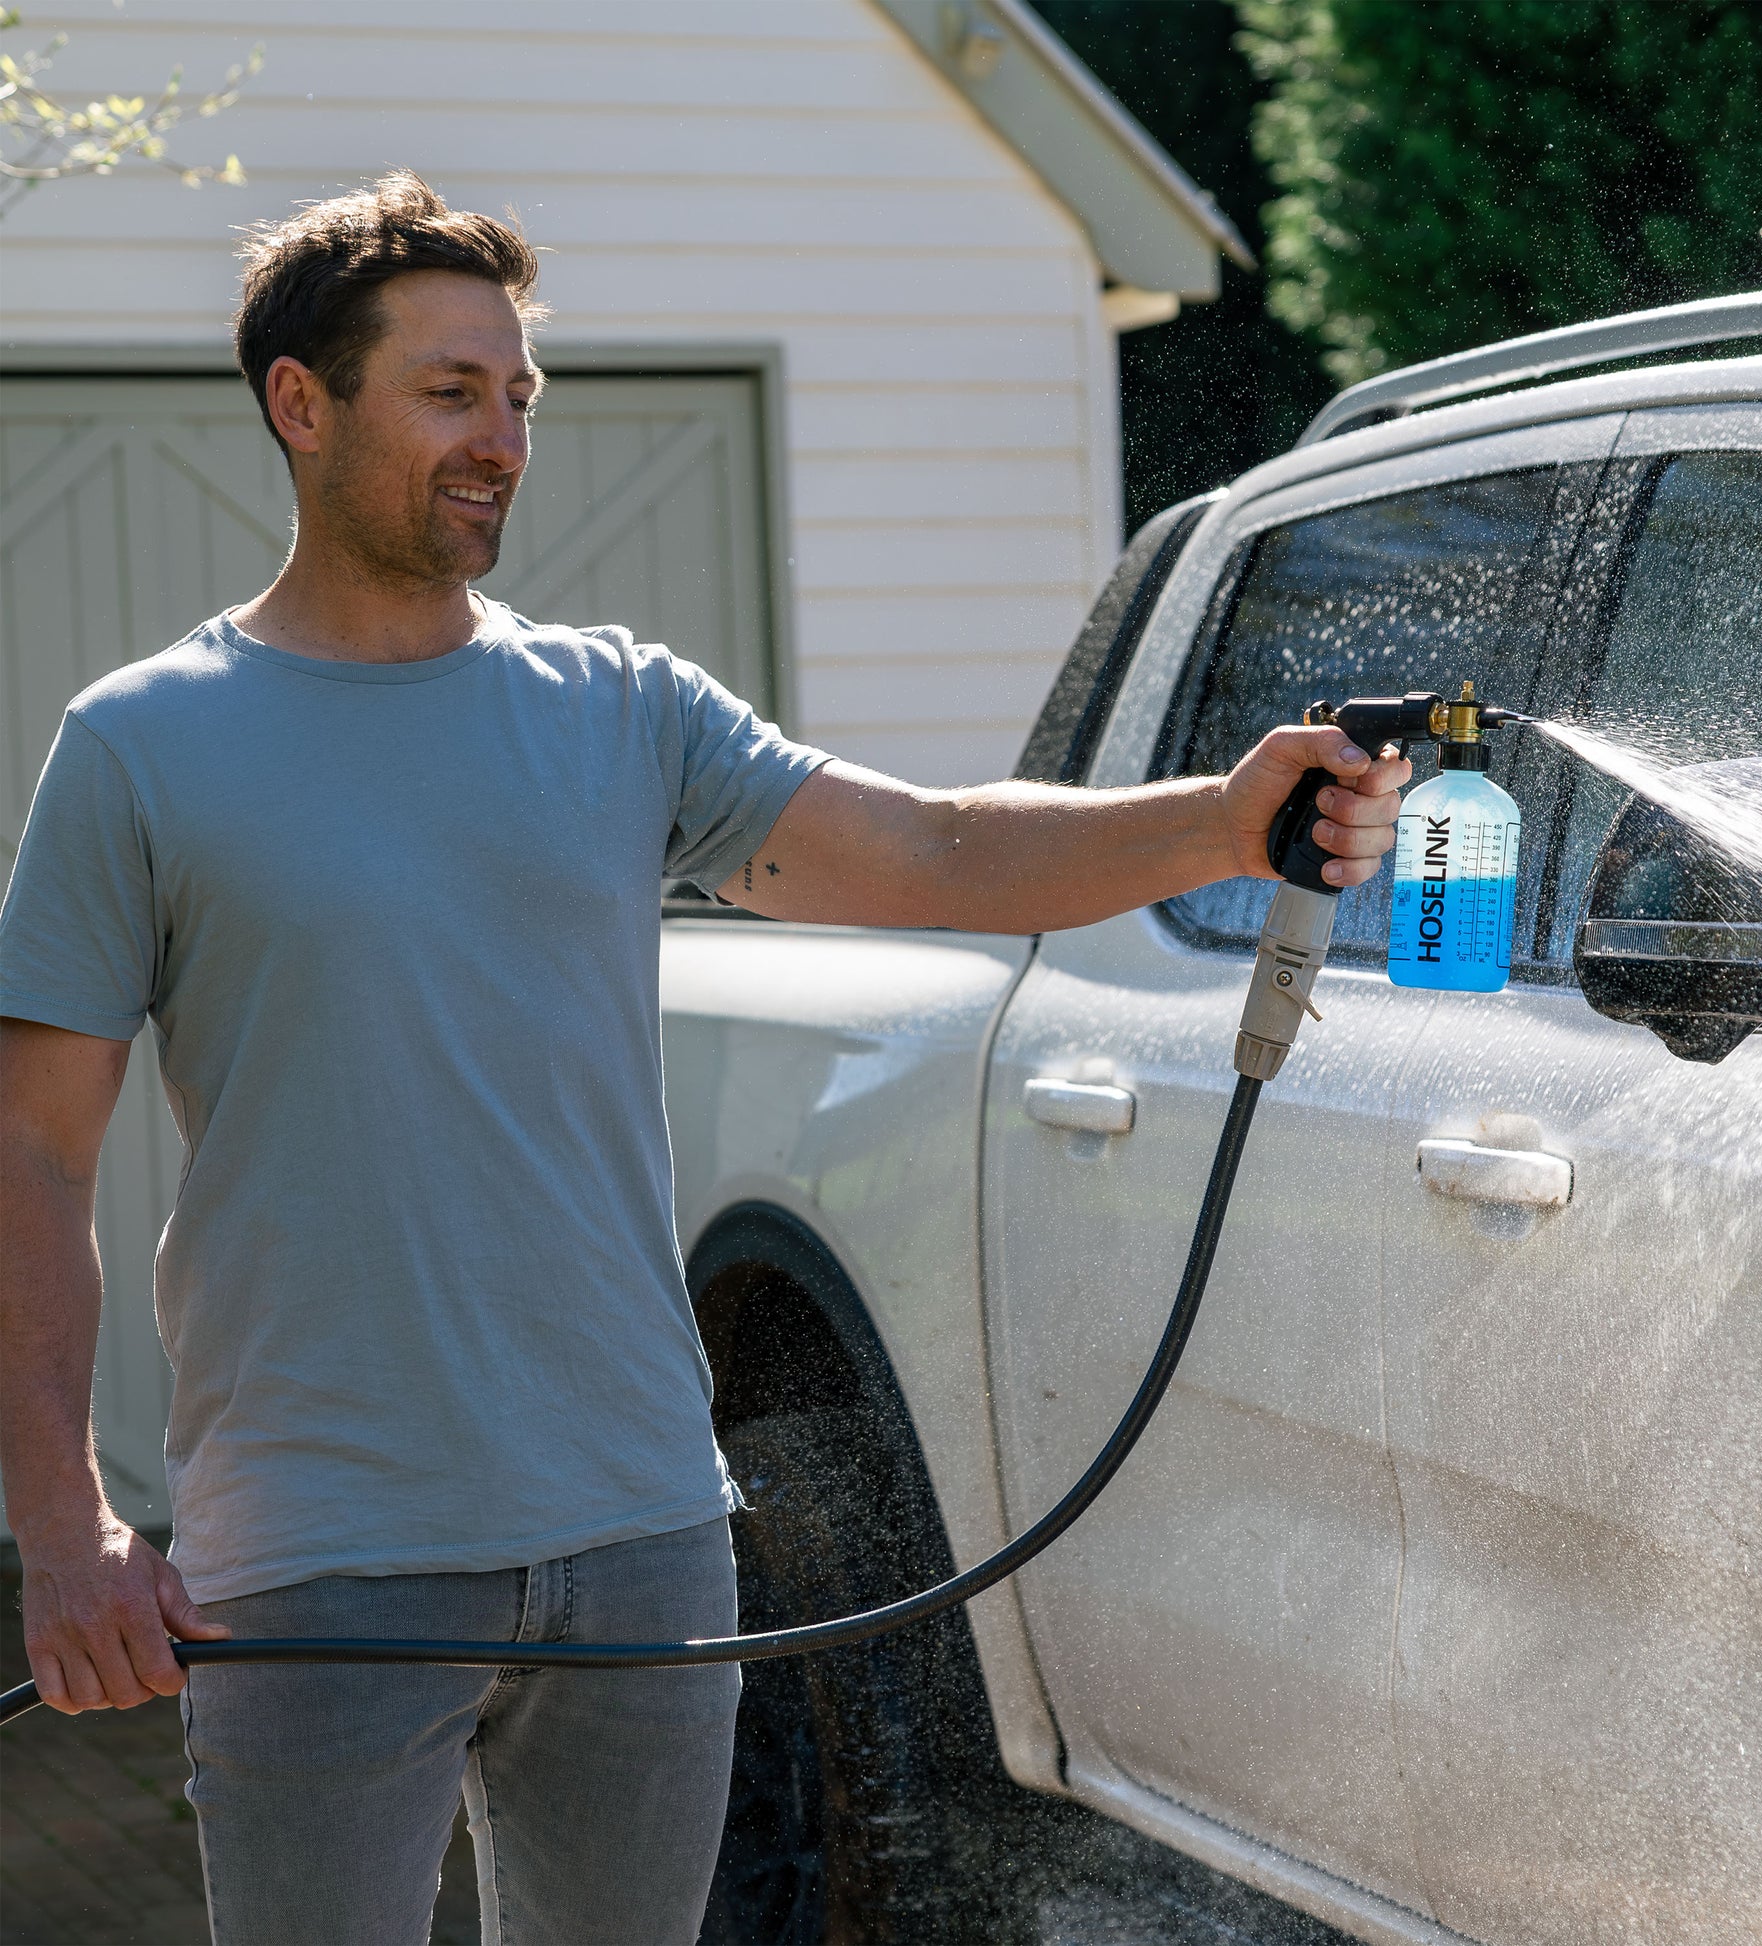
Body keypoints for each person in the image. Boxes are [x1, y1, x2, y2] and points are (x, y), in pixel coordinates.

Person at [0, 173, 1408, 1945]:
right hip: (319, 1545)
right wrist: (64, 1527)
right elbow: (31, 1155)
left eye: (519, 395)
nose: (503, 437)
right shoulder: (143, 746)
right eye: (450, 390)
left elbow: (936, 851)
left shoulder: (616, 706)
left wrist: (1220, 819)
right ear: (303, 403)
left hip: (642, 1529)